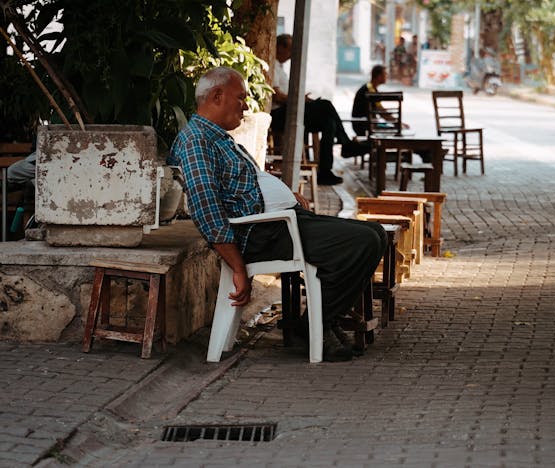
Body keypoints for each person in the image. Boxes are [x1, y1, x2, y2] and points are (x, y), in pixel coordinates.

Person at [169, 67, 387, 362]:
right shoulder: (197, 141)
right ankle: (314, 326)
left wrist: (286, 195)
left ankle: (321, 319)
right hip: (263, 233)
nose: (245, 105)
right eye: (240, 98)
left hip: (282, 223)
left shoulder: (216, 137)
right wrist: (237, 268)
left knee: (375, 233)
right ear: (217, 95)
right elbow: (207, 211)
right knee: (363, 242)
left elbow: (246, 184)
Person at [270, 34, 368, 185]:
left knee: (329, 123)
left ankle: (325, 171)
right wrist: (297, 99)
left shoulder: (280, 67)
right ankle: (346, 144)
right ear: (280, 47)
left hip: (290, 110)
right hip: (279, 113)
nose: (290, 56)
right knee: (325, 105)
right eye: (289, 51)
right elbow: (276, 95)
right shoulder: (273, 65)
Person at [350, 65, 409, 136]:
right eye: (385, 74)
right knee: (394, 130)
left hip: (369, 123)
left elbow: (382, 111)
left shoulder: (371, 88)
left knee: (392, 127)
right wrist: (398, 124)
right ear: (378, 76)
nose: (386, 76)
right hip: (363, 125)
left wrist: (398, 123)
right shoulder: (370, 90)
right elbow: (382, 113)